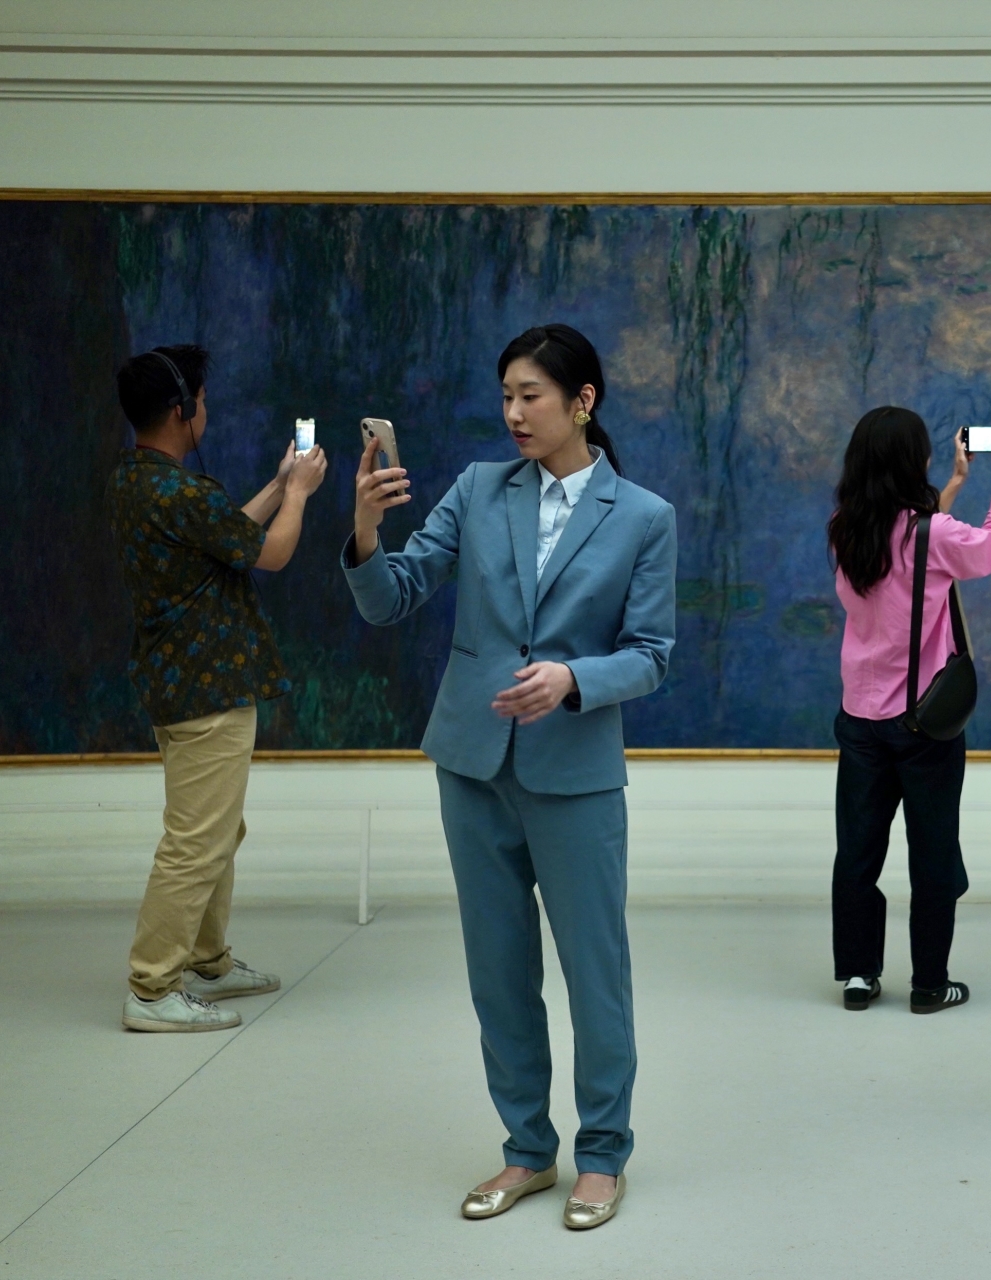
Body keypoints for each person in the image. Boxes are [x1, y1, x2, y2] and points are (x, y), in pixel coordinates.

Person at [342, 324, 675, 1231]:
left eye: (532, 395)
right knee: (497, 973)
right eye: (506, 397)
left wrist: (573, 679)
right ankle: (527, 1149)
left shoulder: (643, 516)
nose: (515, 413)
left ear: (582, 401)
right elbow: (393, 597)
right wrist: (366, 529)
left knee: (594, 974)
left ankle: (602, 1155)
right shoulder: (478, 489)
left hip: (575, 774)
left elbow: (651, 655)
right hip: (472, 765)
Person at [109, 345, 328, 1033]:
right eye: (201, 401)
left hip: (175, 683)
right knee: (196, 842)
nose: (205, 410)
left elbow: (223, 532)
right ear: (183, 410)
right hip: (208, 693)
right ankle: (152, 988)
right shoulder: (181, 493)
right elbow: (272, 553)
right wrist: (299, 495)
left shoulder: (137, 481)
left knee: (215, 830)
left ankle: (207, 959)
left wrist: (277, 483)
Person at [827, 408, 991, 1014]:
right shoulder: (930, 535)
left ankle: (859, 976)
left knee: (858, 851)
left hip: (860, 720)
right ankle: (930, 985)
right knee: (933, 854)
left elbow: (915, 542)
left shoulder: (845, 529)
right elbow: (988, 550)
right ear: (912, 462)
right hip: (921, 725)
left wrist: (956, 483)